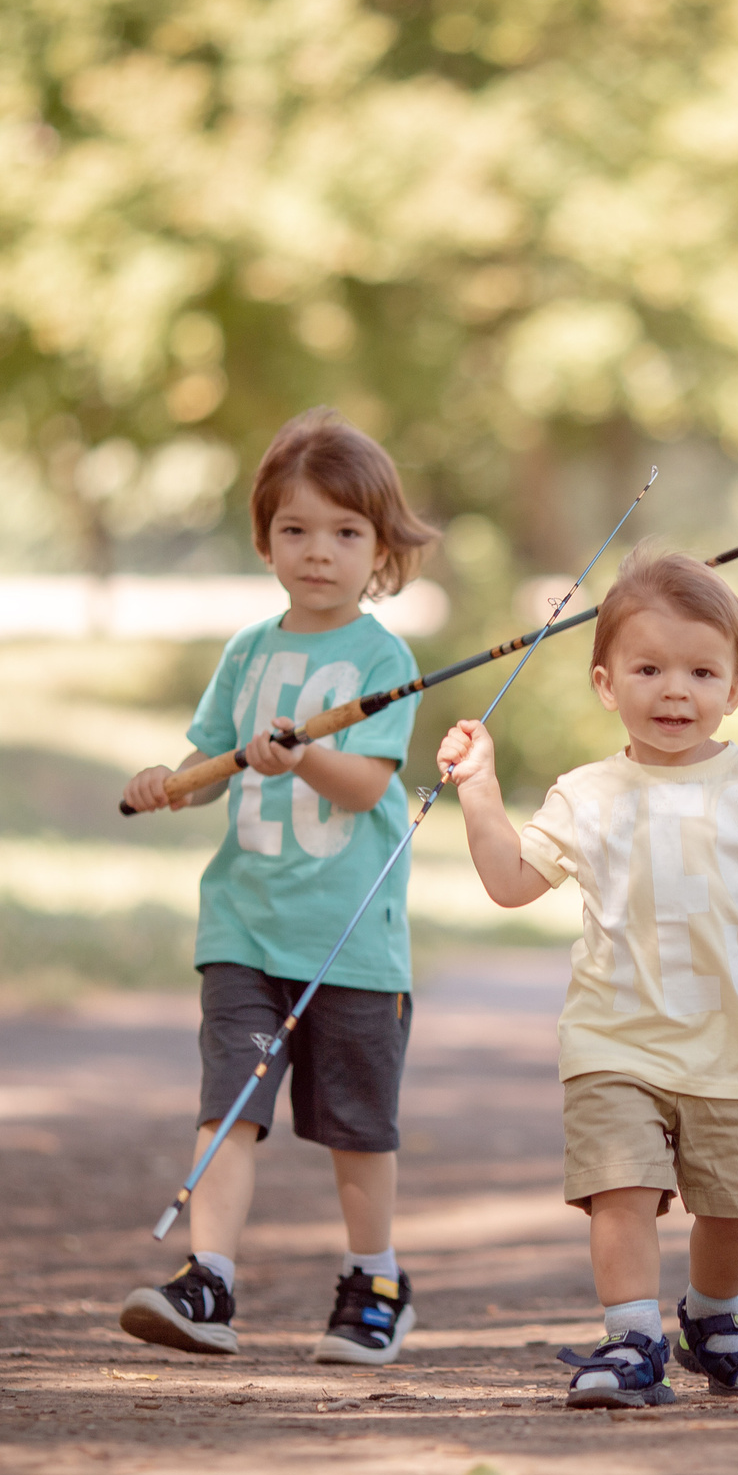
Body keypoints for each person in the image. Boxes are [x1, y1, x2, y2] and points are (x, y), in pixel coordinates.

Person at [434, 548, 738, 1408]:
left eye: (702, 671)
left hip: (730, 1040)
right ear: (605, 683)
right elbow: (511, 881)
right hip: (614, 1039)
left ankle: (714, 1317)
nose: (675, 690)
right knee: (621, 1188)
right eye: (648, 668)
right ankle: (630, 1335)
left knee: (732, 1198)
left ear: (737, 688)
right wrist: (480, 791)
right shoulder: (587, 793)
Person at [118, 408, 439, 1366]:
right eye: (295, 530)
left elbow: (369, 783)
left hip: (351, 938)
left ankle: (375, 1279)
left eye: (345, 533)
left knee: (356, 1131)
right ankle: (208, 1277)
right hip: (244, 929)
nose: (318, 552)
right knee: (230, 1105)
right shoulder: (248, 652)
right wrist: (168, 783)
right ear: (265, 538)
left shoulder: (385, 660)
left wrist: (303, 759)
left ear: (379, 547)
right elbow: (209, 759)